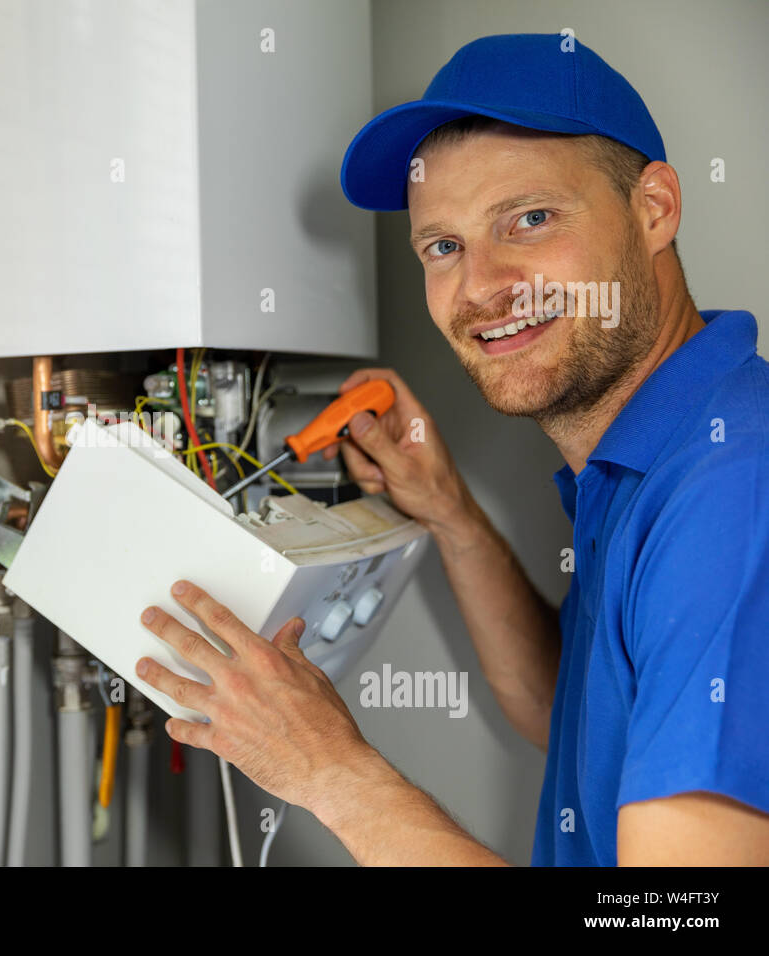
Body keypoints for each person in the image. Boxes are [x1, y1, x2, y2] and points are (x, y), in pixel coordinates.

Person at [135, 33, 769, 865]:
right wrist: (452, 515)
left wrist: (329, 771)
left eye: (530, 219)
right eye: (443, 247)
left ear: (654, 209)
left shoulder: (731, 492)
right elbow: (568, 711)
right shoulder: (652, 456)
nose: (480, 287)